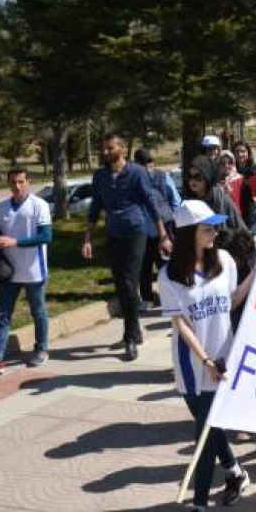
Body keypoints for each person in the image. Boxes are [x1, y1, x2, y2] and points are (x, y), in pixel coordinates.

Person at [160, 200, 252, 511]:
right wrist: (206, 361)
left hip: (223, 358)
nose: (215, 232)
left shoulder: (225, 260)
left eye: (215, 226)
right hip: (193, 365)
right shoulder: (169, 275)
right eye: (207, 228)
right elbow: (181, 325)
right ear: (188, 234)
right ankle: (236, 473)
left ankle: (199, 503)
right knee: (210, 427)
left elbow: (233, 299)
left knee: (204, 433)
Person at [83, 133, 171, 362]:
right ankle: (134, 331)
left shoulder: (136, 172)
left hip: (135, 233)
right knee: (121, 285)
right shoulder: (100, 176)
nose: (105, 152)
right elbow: (95, 206)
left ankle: (130, 338)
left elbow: (151, 203)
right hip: (113, 234)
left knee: (129, 283)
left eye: (110, 148)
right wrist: (87, 237)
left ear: (122, 149)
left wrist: (162, 234)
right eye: (103, 148)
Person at [0, 168, 54, 376]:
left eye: (20, 182)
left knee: (38, 312)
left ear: (28, 182)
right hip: (8, 271)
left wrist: (15, 241)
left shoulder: (40, 205)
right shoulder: (2, 207)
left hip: (33, 270)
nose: (17, 187)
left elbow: (45, 236)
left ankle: (41, 349)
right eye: (13, 183)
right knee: (2, 315)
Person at [134, 149, 182, 307]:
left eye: (149, 163)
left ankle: (172, 296)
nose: (148, 167)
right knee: (145, 266)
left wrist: (176, 221)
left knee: (166, 264)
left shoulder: (162, 176)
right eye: (145, 164)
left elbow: (175, 200)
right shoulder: (135, 180)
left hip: (164, 227)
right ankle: (148, 299)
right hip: (145, 230)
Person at [232, 141, 256, 226]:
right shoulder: (230, 169)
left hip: (250, 208)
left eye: (243, 151)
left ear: (248, 153)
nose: (240, 154)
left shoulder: (255, 170)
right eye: (237, 151)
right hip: (234, 207)